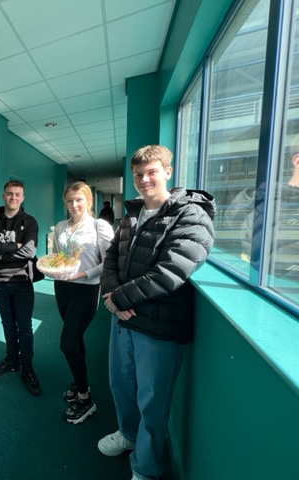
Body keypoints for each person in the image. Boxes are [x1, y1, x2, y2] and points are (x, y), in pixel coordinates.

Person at [98, 145, 215, 480]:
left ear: (168, 171)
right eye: (138, 174)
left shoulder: (191, 215)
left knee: (153, 403)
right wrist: (111, 294)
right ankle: (128, 435)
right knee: (120, 385)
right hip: (122, 321)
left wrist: (118, 299)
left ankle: (145, 469)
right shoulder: (131, 214)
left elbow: (171, 271)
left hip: (159, 327)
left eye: (151, 172)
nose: (144, 179)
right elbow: (110, 259)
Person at [52, 181, 113, 424]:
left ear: (89, 201)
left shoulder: (100, 226)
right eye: (69, 200)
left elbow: (110, 262)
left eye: (79, 199)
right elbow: (61, 256)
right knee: (75, 340)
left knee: (67, 344)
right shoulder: (60, 226)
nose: (74, 205)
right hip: (62, 287)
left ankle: (85, 399)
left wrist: (85, 274)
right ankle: (81, 383)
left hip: (86, 290)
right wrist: (55, 267)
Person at [0, 180, 43, 396]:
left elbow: (29, 251)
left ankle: (28, 367)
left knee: (24, 327)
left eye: (17, 194)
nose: (13, 198)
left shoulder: (30, 222)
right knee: (7, 323)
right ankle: (12, 360)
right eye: (9, 194)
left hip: (22, 282)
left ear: (23, 198)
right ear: (3, 196)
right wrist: (14, 246)